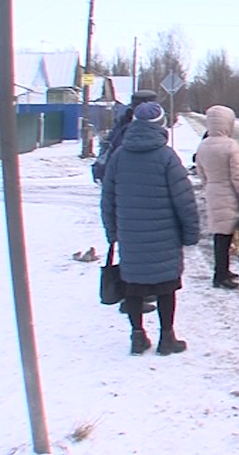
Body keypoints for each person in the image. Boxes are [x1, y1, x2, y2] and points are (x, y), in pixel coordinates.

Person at [101, 102, 200, 356]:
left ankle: (137, 337)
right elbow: (184, 199)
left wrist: (112, 233)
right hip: (164, 237)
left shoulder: (119, 156)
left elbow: (108, 198)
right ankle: (167, 338)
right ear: (160, 124)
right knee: (166, 288)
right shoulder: (166, 157)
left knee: (133, 287)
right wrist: (190, 233)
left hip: (130, 238)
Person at [92, 89, 160, 316]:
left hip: (124, 197)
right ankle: (131, 297)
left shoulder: (123, 124)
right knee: (133, 252)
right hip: (130, 197)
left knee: (131, 250)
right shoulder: (133, 130)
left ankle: (136, 293)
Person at [194, 105, 239, 290]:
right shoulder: (230, 145)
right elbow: (238, 176)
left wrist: (209, 186)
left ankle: (222, 271)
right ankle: (220, 275)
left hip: (213, 192)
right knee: (225, 237)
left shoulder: (203, 145)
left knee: (221, 236)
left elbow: (201, 172)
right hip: (229, 194)